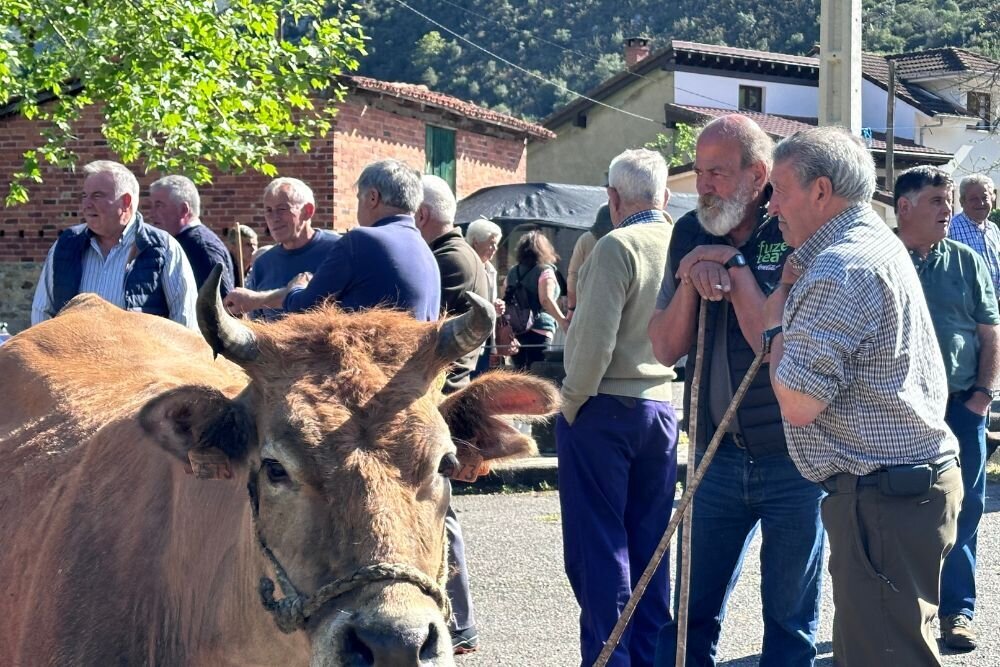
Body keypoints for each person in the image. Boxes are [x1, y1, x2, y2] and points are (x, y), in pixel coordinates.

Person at [763, 126, 962, 667]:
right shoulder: (868, 245)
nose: (771, 204)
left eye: (779, 189)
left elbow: (799, 403)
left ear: (821, 191)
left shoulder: (839, 267)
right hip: (899, 494)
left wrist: (775, 328)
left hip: (885, 501)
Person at [648, 115, 824, 667]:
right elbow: (663, 347)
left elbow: (775, 346)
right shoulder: (690, 231)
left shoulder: (794, 226)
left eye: (718, 173)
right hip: (715, 457)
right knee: (690, 615)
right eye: (700, 172)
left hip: (793, 458)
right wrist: (691, 279)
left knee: (789, 621)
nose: (704, 185)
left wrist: (733, 266)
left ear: (758, 175)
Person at [557, 148, 678, 667]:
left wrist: (569, 404)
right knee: (652, 548)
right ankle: (646, 658)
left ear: (613, 198)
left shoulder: (615, 246)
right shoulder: (681, 246)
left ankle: (608, 659)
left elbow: (591, 345)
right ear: (665, 196)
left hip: (606, 407)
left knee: (600, 550)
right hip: (662, 406)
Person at [894, 166, 999, 652]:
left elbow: (988, 330)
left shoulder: (966, 260)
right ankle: (900, 613)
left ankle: (959, 611)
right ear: (905, 207)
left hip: (961, 408)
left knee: (966, 507)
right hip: (897, 411)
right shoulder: (883, 259)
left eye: (948, 200)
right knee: (896, 511)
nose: (948, 210)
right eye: (937, 201)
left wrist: (982, 395)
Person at [414, 174, 490, 653]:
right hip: (456, 393)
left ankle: (459, 620)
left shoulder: (444, 260)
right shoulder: (463, 253)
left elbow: (431, 336)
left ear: (422, 216)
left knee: (441, 508)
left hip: (446, 396)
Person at [224, 159, 440, 321]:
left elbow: (305, 307)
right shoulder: (427, 253)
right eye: (268, 210)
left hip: (361, 375)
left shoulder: (360, 241)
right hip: (408, 377)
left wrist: (296, 288)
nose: (273, 217)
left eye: (358, 199)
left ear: (372, 198)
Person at [31, 160, 197, 328]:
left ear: (125, 202)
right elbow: (42, 312)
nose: (86, 205)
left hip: (138, 354)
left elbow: (185, 320)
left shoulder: (163, 248)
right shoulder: (66, 245)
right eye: (84, 196)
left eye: (97, 196)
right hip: (73, 354)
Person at [227, 177, 340, 319]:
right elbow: (257, 328)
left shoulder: (338, 250)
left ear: (308, 211)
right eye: (268, 210)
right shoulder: (263, 264)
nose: (274, 218)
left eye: (282, 209)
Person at [148, 175, 235, 297]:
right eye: (151, 205)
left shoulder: (201, 248)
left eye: (159, 205)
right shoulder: (181, 242)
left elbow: (220, 304)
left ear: (184, 210)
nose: (151, 214)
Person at [503, 231, 568, 370]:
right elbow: (546, 300)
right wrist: (563, 321)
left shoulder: (512, 272)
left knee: (519, 372)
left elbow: (506, 299)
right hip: (540, 327)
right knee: (538, 370)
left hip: (517, 329)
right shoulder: (545, 271)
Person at [465, 217, 506, 373]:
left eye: (496, 243)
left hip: (485, 339)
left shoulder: (490, 270)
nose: (495, 248)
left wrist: (497, 306)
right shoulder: (466, 266)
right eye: (491, 243)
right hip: (468, 339)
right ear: (476, 242)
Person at [949, 174, 1000, 295]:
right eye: (973, 199)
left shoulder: (993, 229)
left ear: (992, 198)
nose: (981, 203)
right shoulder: (950, 228)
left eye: (984, 197)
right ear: (962, 202)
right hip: (964, 307)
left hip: (993, 305)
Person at [566, 203, 613, 319]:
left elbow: (573, 275)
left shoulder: (586, 239)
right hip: (615, 302)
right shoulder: (622, 240)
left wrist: (572, 308)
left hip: (587, 303)